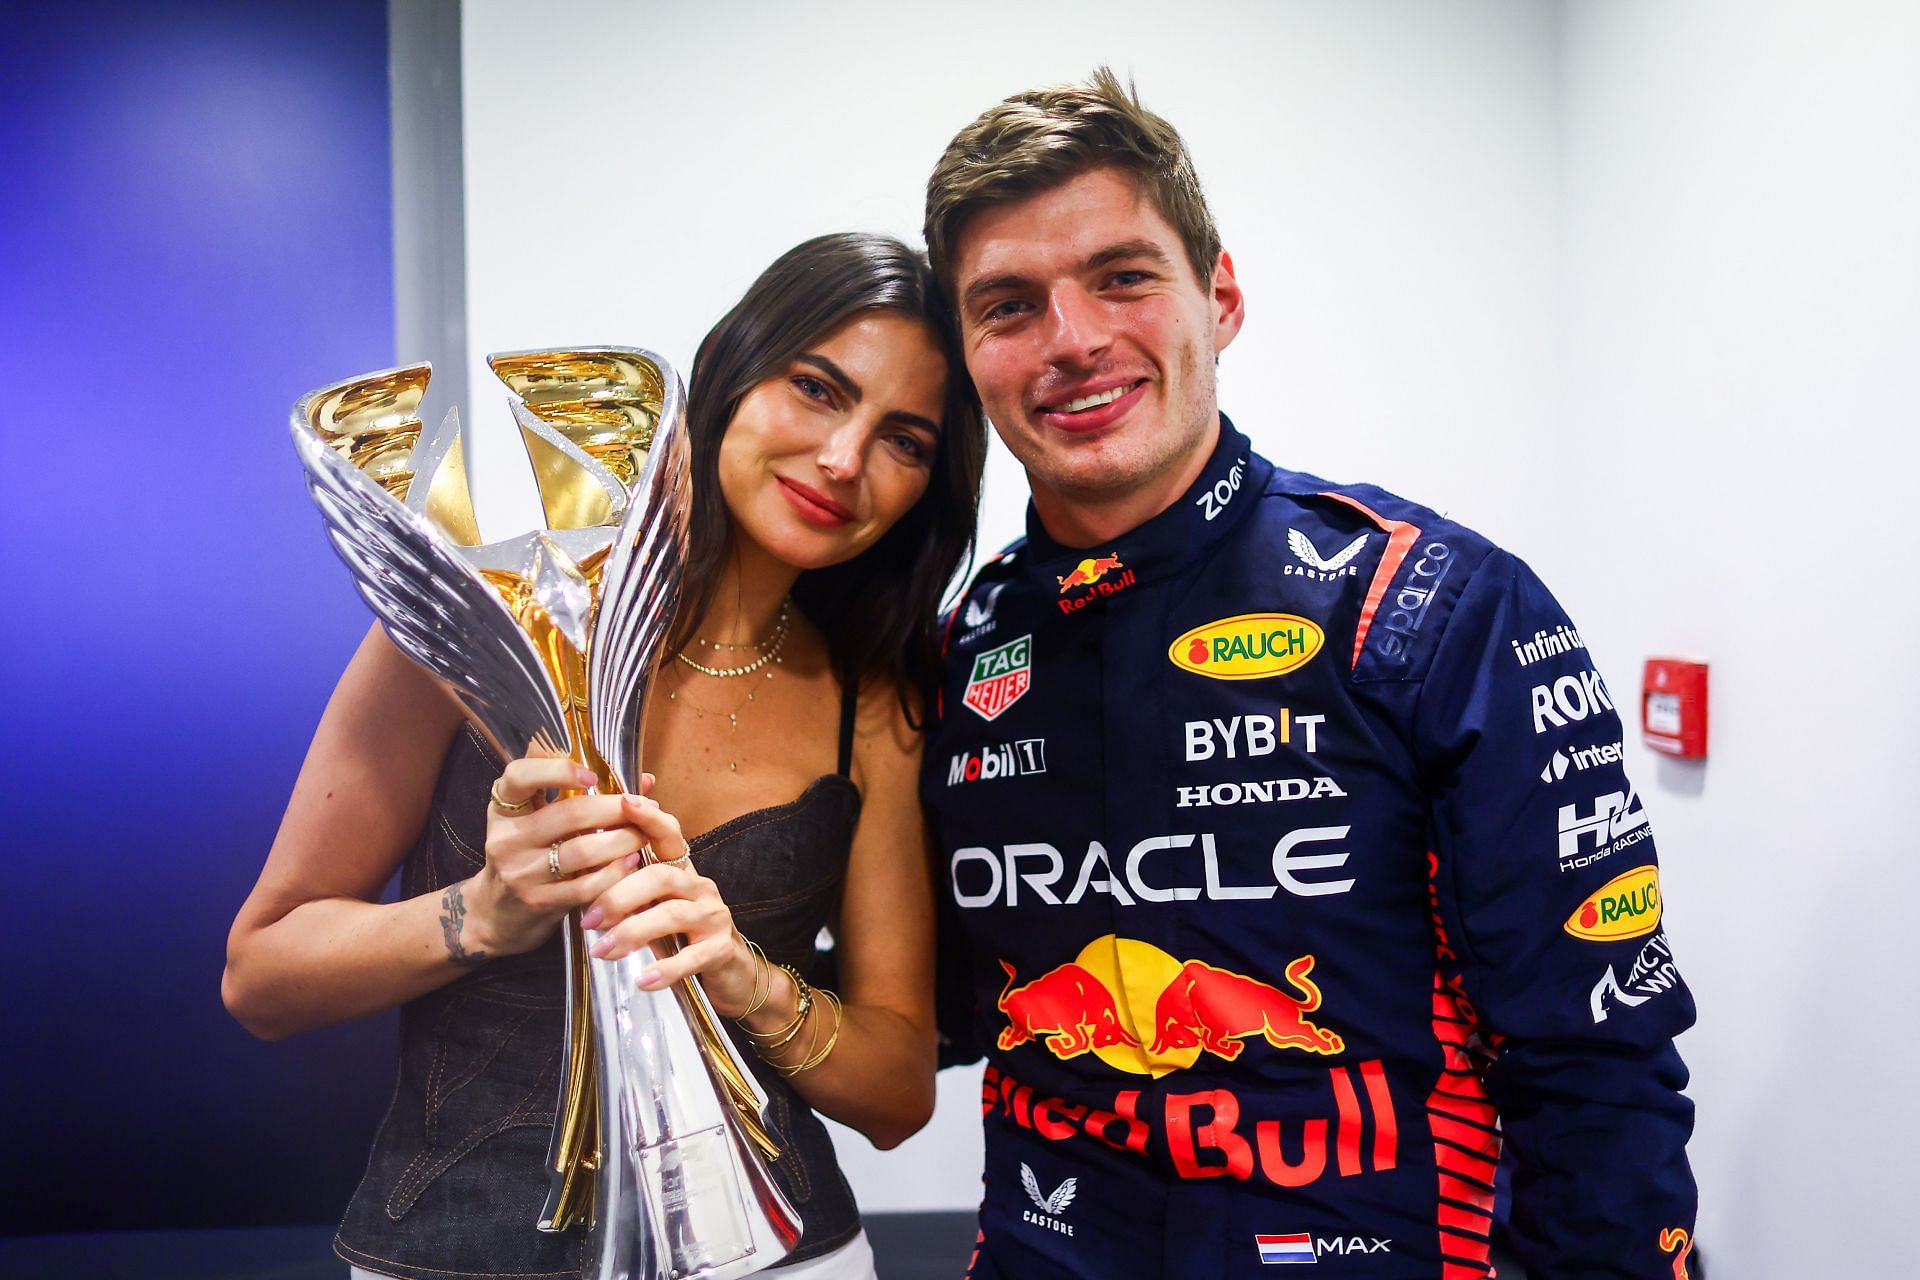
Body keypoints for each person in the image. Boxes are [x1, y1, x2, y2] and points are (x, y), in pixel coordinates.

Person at [919, 71, 1699, 1279]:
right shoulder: (962, 643)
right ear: (969, 354)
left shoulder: (1435, 605)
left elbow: (1597, 1055)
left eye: (1123, 276)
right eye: (1010, 305)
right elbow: (935, 1015)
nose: (1073, 340)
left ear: (1218, 297)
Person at [223, 232, 986, 1280]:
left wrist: (744, 974)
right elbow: (262, 972)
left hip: (783, 1255)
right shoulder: (480, 614)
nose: (845, 458)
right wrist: (480, 913)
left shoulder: (875, 706)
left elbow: (900, 1091)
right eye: (817, 388)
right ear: (727, 362)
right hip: (452, 1248)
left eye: (904, 440)